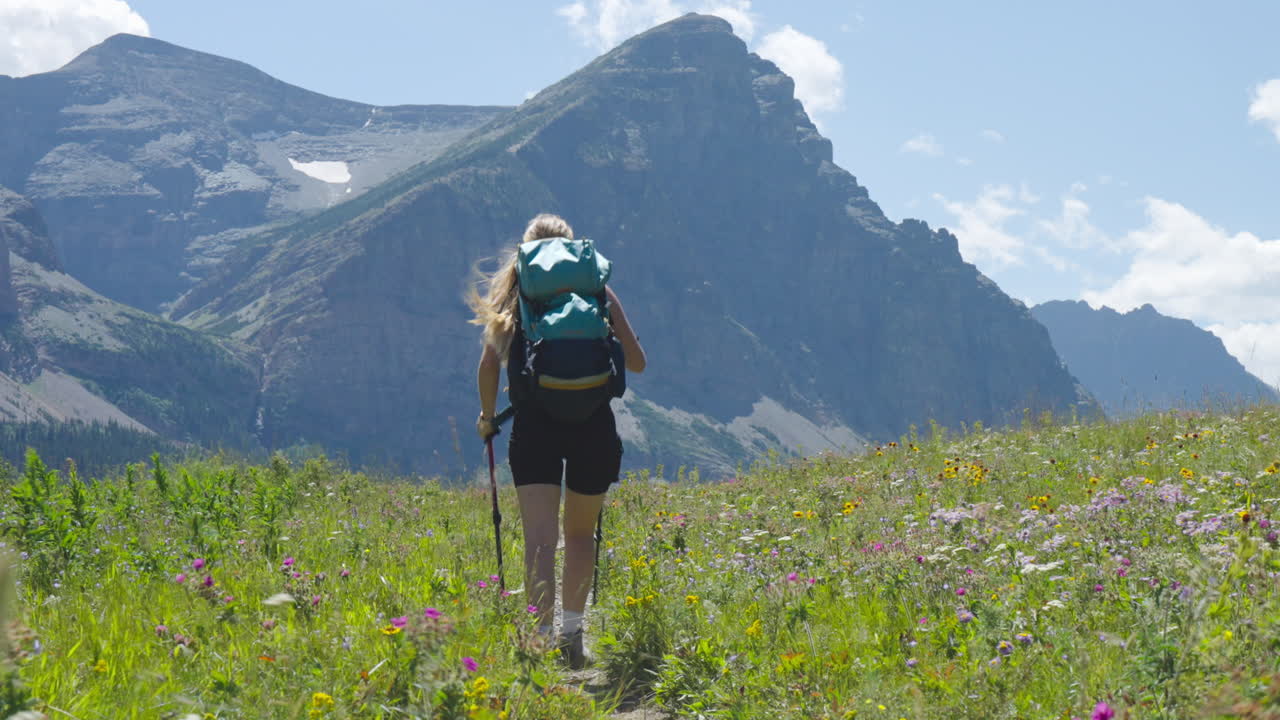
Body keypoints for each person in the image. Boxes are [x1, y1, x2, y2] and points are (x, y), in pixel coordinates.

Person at [467, 213, 646, 668]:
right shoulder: (596, 289)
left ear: (527, 251)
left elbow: (489, 366)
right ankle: (573, 635)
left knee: (540, 540)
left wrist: (488, 418)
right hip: (593, 424)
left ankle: (541, 637)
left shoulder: (513, 289)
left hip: (534, 426)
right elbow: (638, 362)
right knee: (581, 535)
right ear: (571, 250)